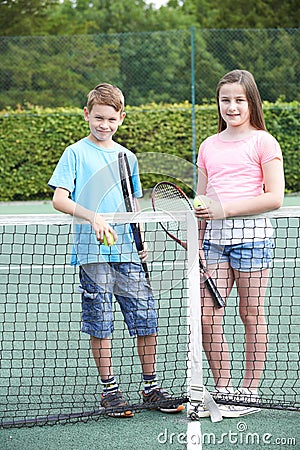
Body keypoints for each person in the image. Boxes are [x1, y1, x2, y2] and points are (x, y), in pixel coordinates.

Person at [48, 83, 184, 417]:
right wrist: (94, 218)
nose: (103, 124)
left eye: (110, 119)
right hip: (92, 255)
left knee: (146, 319)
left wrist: (141, 237)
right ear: (86, 115)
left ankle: (151, 387)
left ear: (121, 118)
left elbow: (131, 203)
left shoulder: (128, 158)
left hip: (127, 252)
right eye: (98, 117)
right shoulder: (75, 154)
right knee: (101, 322)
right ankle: (110, 392)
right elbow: (59, 199)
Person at [194, 70, 285, 418]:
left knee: (251, 314)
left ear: (251, 102)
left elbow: (274, 198)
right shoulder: (208, 146)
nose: (231, 106)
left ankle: (249, 391)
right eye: (225, 99)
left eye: (239, 100)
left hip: (253, 242)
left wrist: (224, 210)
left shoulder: (264, 142)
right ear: (218, 103)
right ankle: (225, 388)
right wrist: (198, 243)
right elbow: (203, 201)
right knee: (206, 317)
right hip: (214, 245)